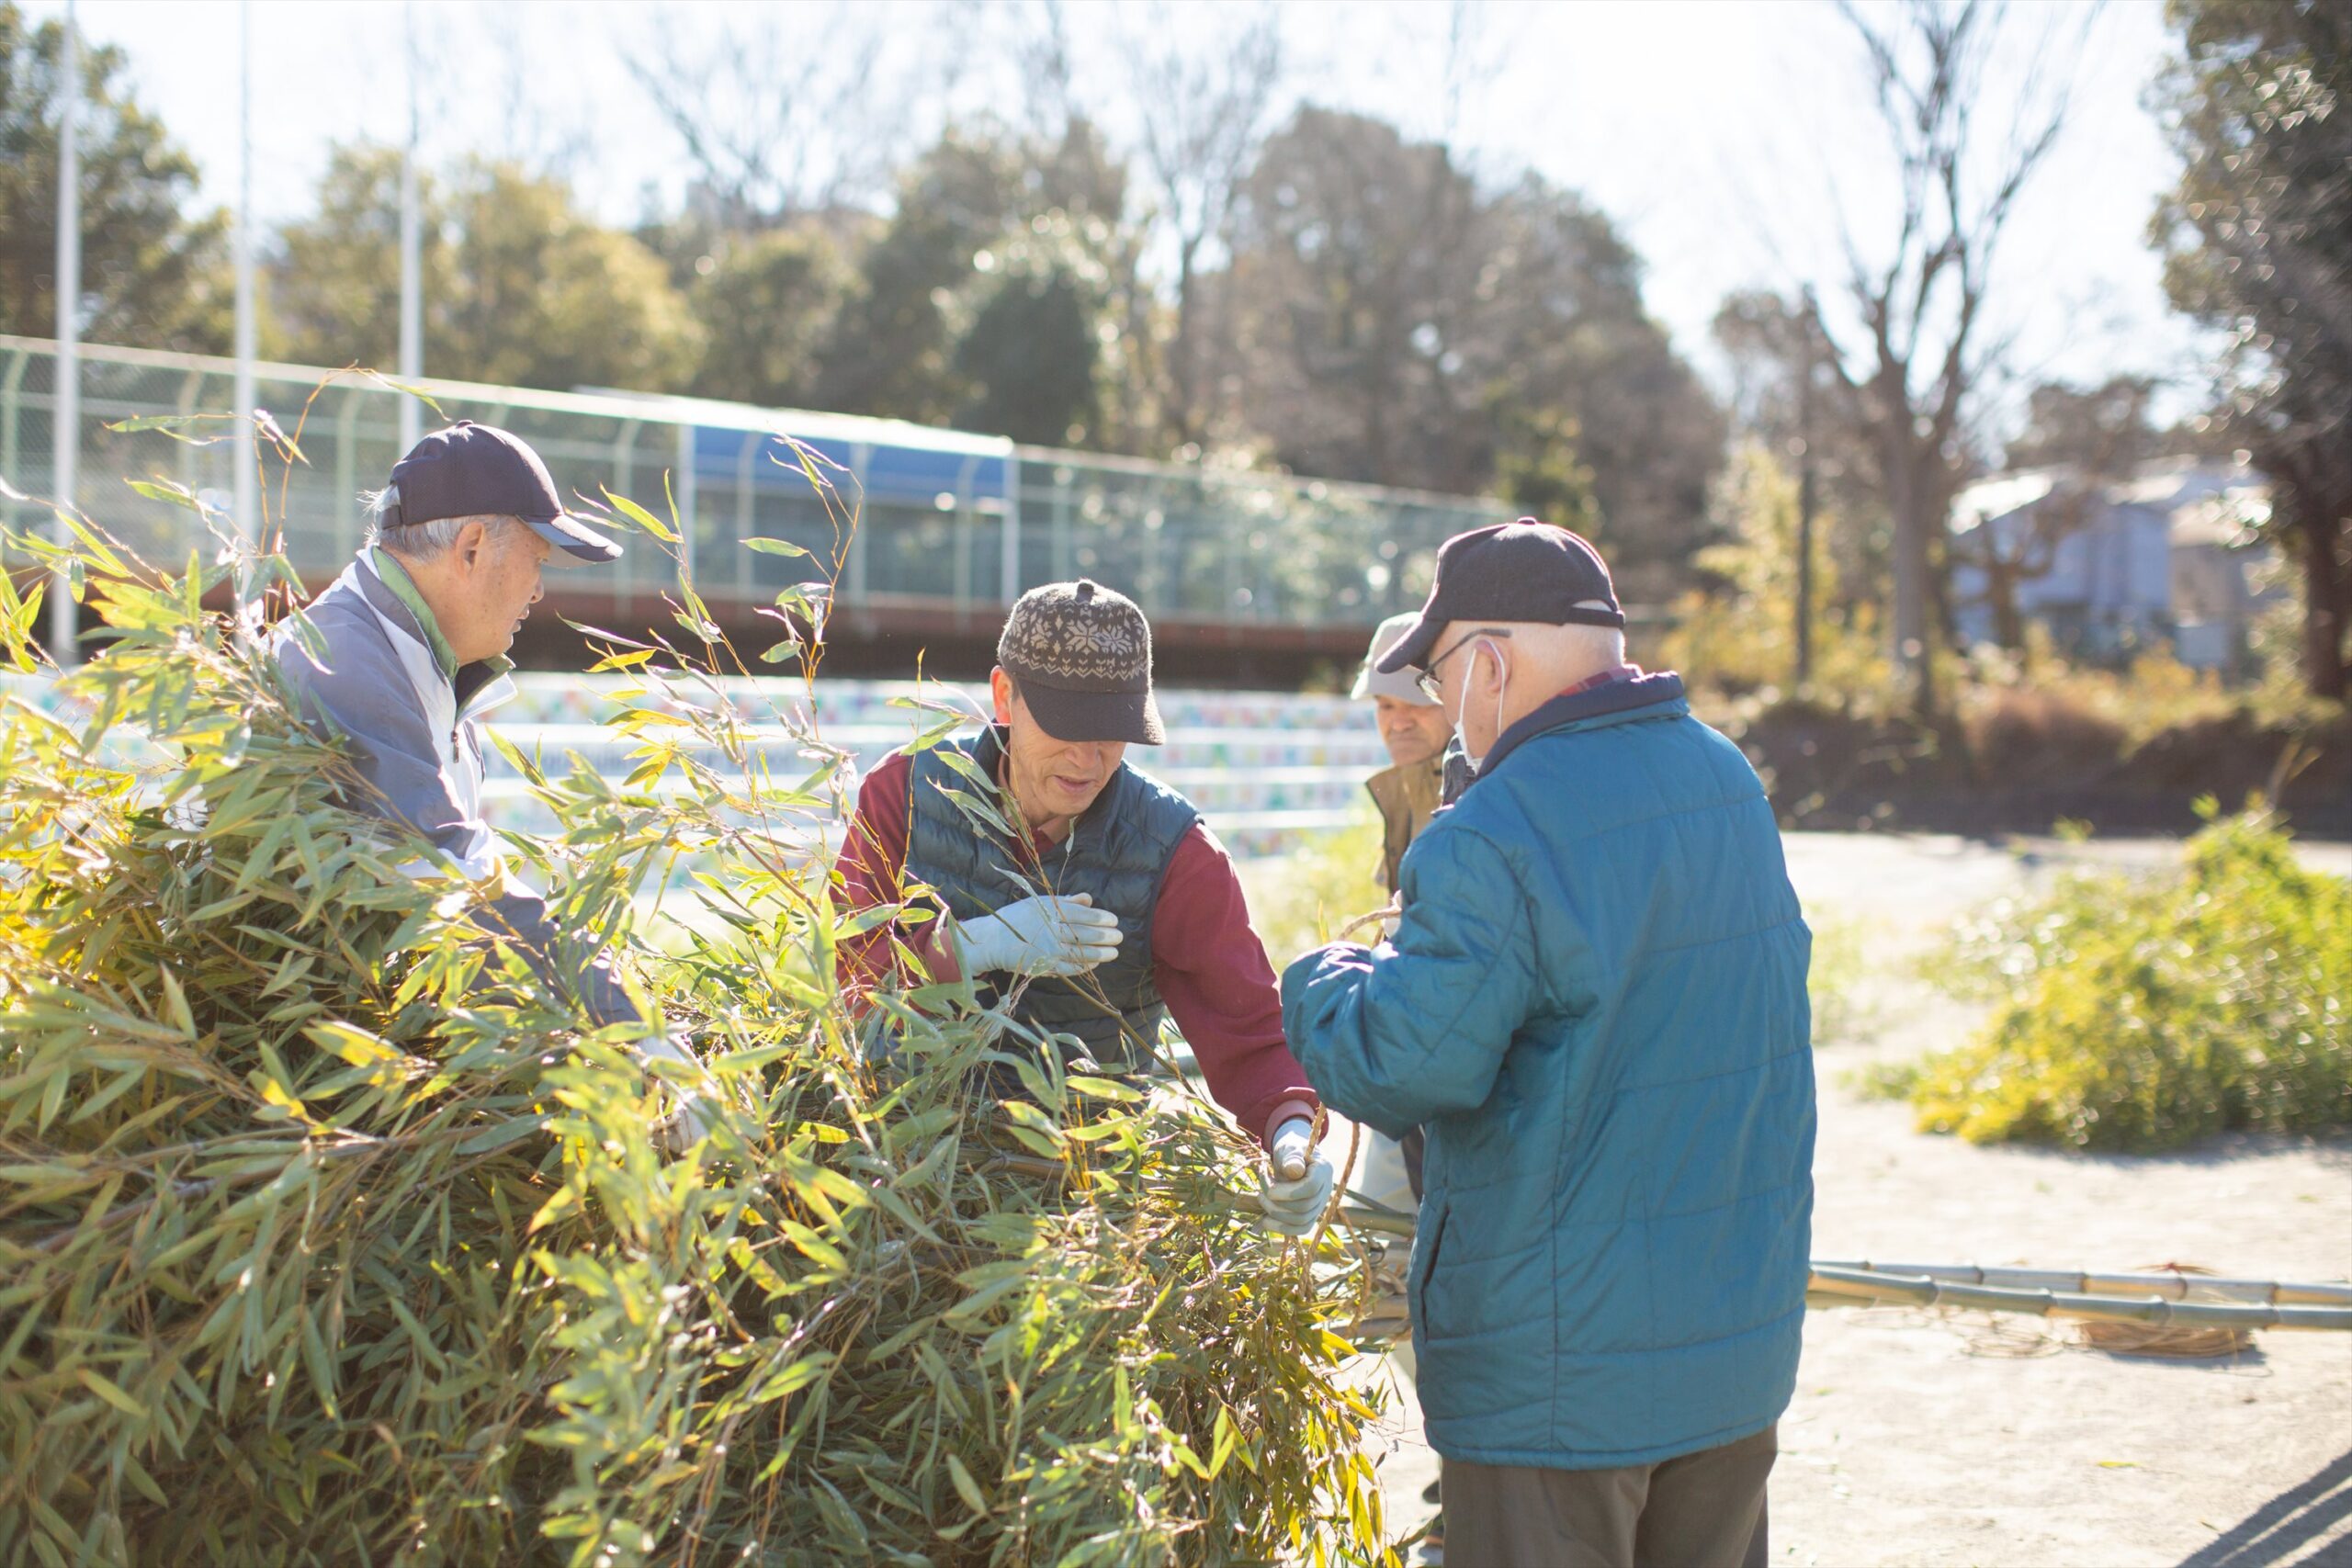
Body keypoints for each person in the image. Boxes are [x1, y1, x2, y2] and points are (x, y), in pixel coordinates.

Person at [1282, 521, 1815, 1568]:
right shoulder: (1724, 777)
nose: (1447, 712)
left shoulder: (1496, 826)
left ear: (1489, 659)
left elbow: (1402, 1063)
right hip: (1730, 1356)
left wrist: (1319, 981)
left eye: (1441, 676)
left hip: (1556, 1381)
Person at [833, 578, 1336, 1233]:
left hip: (1082, 1207)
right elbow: (846, 980)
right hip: (903, 1180)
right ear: (1004, 695)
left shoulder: (1173, 851)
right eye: (1066, 726)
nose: (1086, 757)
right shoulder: (903, 795)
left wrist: (1291, 1135)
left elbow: (1252, 1032)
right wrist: (972, 946)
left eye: (1111, 731)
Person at [274, 421, 714, 1143]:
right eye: (537, 560)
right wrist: (640, 1037)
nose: (539, 589)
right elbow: (459, 885)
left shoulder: (408, 656)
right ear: (472, 547)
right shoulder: (347, 667)